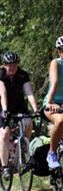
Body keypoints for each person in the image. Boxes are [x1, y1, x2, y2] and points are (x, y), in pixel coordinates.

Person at [0, 52, 39, 179]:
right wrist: (5, 110)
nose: (12, 68)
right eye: (9, 65)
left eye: (14, 65)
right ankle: (5, 166)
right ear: (4, 65)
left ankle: (22, 148)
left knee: (28, 123)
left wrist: (36, 109)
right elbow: (3, 93)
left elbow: (29, 93)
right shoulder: (0, 74)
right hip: (0, 107)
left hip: (18, 106)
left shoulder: (23, 75)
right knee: (5, 133)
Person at [42, 35, 63, 169]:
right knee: (61, 120)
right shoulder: (56, 63)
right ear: (58, 51)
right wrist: (49, 104)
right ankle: (51, 153)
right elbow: (54, 83)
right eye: (62, 50)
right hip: (52, 102)